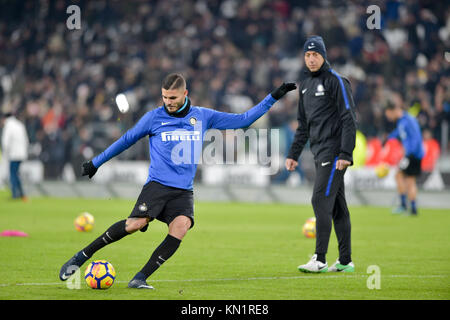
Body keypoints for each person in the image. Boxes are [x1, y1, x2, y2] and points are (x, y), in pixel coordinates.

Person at [59, 73, 296, 289]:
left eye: (172, 97)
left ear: (185, 94)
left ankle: (140, 278)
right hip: (158, 185)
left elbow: (243, 120)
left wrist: (273, 97)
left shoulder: (203, 116)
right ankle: (82, 256)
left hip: (183, 191)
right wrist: (96, 163)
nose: (168, 102)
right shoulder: (154, 118)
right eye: (164, 97)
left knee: (181, 227)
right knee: (135, 224)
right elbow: (127, 139)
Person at [285, 36, 357, 273]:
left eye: (315, 54)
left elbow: (349, 118)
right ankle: (345, 261)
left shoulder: (337, 81)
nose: (311, 58)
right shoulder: (304, 85)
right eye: (307, 55)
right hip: (319, 152)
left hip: (335, 153)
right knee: (338, 207)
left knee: (319, 200)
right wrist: (294, 153)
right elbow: (303, 124)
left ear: (324, 55)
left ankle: (320, 258)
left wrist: (346, 153)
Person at [384, 93, 424, 216]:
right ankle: (412, 208)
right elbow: (399, 132)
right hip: (413, 154)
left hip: (413, 155)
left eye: (389, 114)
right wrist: (389, 138)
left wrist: (410, 155)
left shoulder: (408, 120)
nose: (389, 117)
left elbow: (416, 138)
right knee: (406, 179)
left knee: (401, 176)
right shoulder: (402, 121)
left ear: (393, 110)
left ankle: (405, 206)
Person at [1, 112, 29, 201]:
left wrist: (6, 154)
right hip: (22, 153)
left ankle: (15, 194)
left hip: (13, 154)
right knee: (16, 174)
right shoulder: (20, 125)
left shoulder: (8, 126)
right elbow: (26, 140)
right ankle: (21, 193)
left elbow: (5, 142)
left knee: (13, 174)